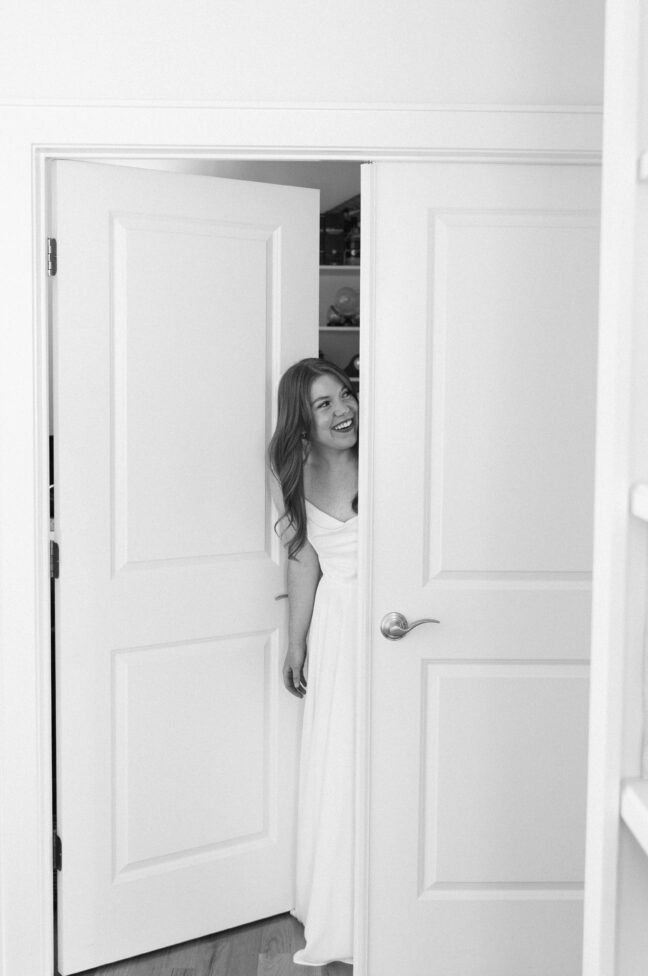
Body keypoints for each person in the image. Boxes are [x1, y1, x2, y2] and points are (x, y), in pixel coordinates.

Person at [269, 357, 358, 968]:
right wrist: (296, 641)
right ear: (303, 422)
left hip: (393, 620)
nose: (343, 409)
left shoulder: (387, 452)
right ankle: (339, 902)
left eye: (344, 394)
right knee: (341, 757)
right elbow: (304, 557)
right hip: (338, 625)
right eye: (324, 404)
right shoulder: (295, 472)